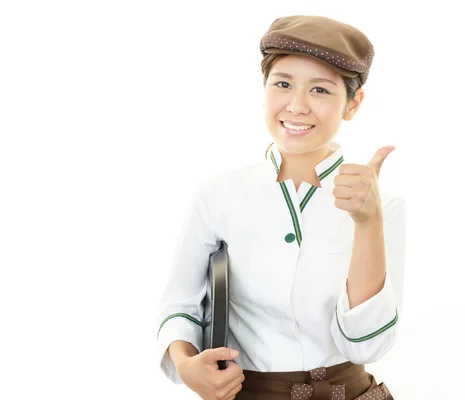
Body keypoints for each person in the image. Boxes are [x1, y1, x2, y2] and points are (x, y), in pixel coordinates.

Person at [155, 15, 406, 400]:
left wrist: (367, 221)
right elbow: (181, 305)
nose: (297, 105)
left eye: (320, 90)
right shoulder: (218, 195)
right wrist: (187, 364)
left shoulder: (384, 206)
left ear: (353, 104)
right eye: (283, 84)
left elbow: (367, 346)